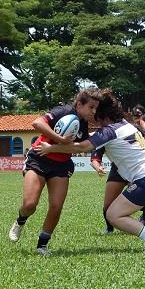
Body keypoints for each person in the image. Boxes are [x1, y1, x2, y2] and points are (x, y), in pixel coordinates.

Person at [37, 90, 145, 252]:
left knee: (113, 215)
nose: (91, 115)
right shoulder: (124, 124)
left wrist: (52, 148)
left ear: (102, 115)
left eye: (94, 111)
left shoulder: (109, 131)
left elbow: (82, 146)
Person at [8, 87, 101, 255]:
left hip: (61, 165)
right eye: (91, 107)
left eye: (95, 108)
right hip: (39, 158)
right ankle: (20, 220)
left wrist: (56, 146)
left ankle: (42, 245)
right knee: (30, 204)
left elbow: (80, 146)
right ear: (79, 104)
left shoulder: (83, 124)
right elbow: (37, 123)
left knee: (56, 207)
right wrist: (60, 140)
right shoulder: (63, 111)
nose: (93, 111)